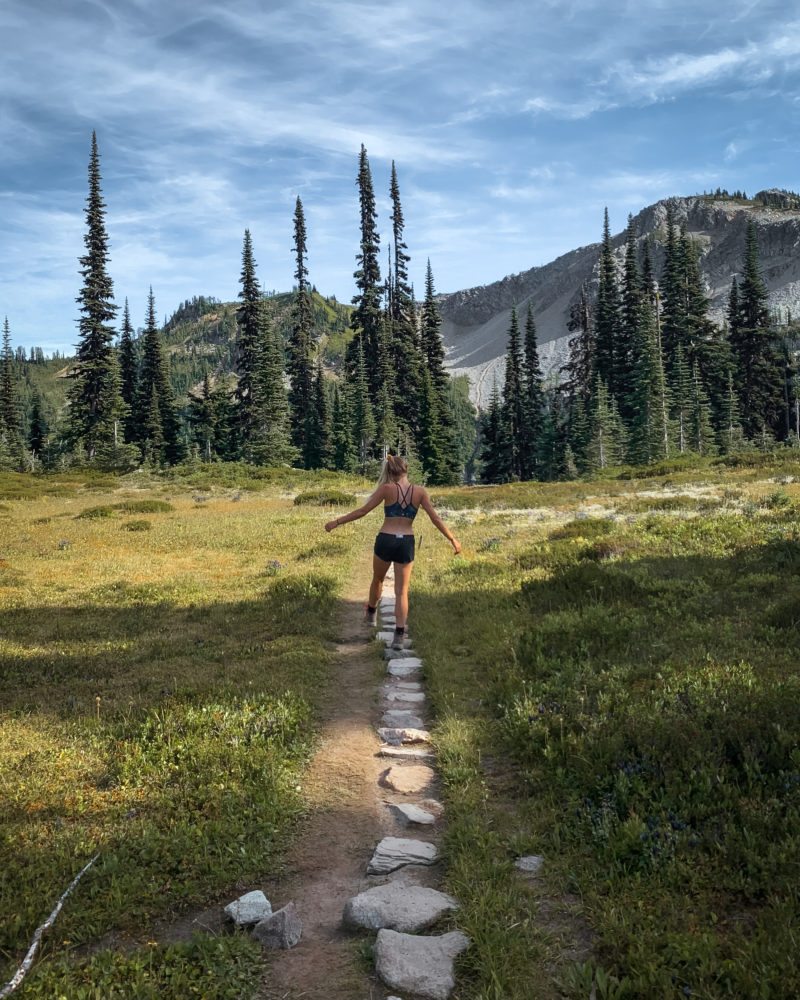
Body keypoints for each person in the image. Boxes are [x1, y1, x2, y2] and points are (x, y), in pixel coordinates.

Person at [325, 454, 461, 648]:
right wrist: (452, 539)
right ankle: (399, 634)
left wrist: (336, 522)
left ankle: (371, 612)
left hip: (386, 539)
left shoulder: (386, 489)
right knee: (401, 591)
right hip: (406, 541)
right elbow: (436, 519)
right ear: (406, 469)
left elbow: (363, 511)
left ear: (389, 472)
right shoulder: (420, 492)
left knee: (378, 579)